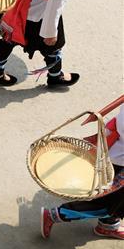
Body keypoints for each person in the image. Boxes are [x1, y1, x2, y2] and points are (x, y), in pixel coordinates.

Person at [41, 103, 124, 240]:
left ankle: (108, 226)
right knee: (108, 203)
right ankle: (57, 214)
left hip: (113, 148)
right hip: (119, 159)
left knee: (112, 198)